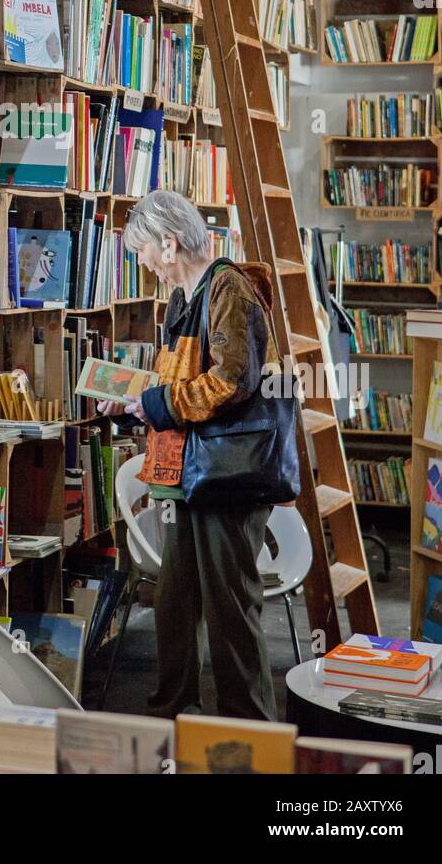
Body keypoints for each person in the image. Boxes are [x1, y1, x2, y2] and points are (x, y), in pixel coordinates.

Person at [99, 189, 280, 722]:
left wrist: (159, 401)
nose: (143, 264)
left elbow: (230, 381)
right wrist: (138, 397)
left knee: (230, 608)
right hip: (181, 474)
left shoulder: (229, 287)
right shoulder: (184, 297)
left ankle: (247, 730)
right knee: (175, 606)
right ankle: (174, 717)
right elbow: (183, 380)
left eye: (143, 251)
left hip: (226, 475)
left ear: (170, 243)